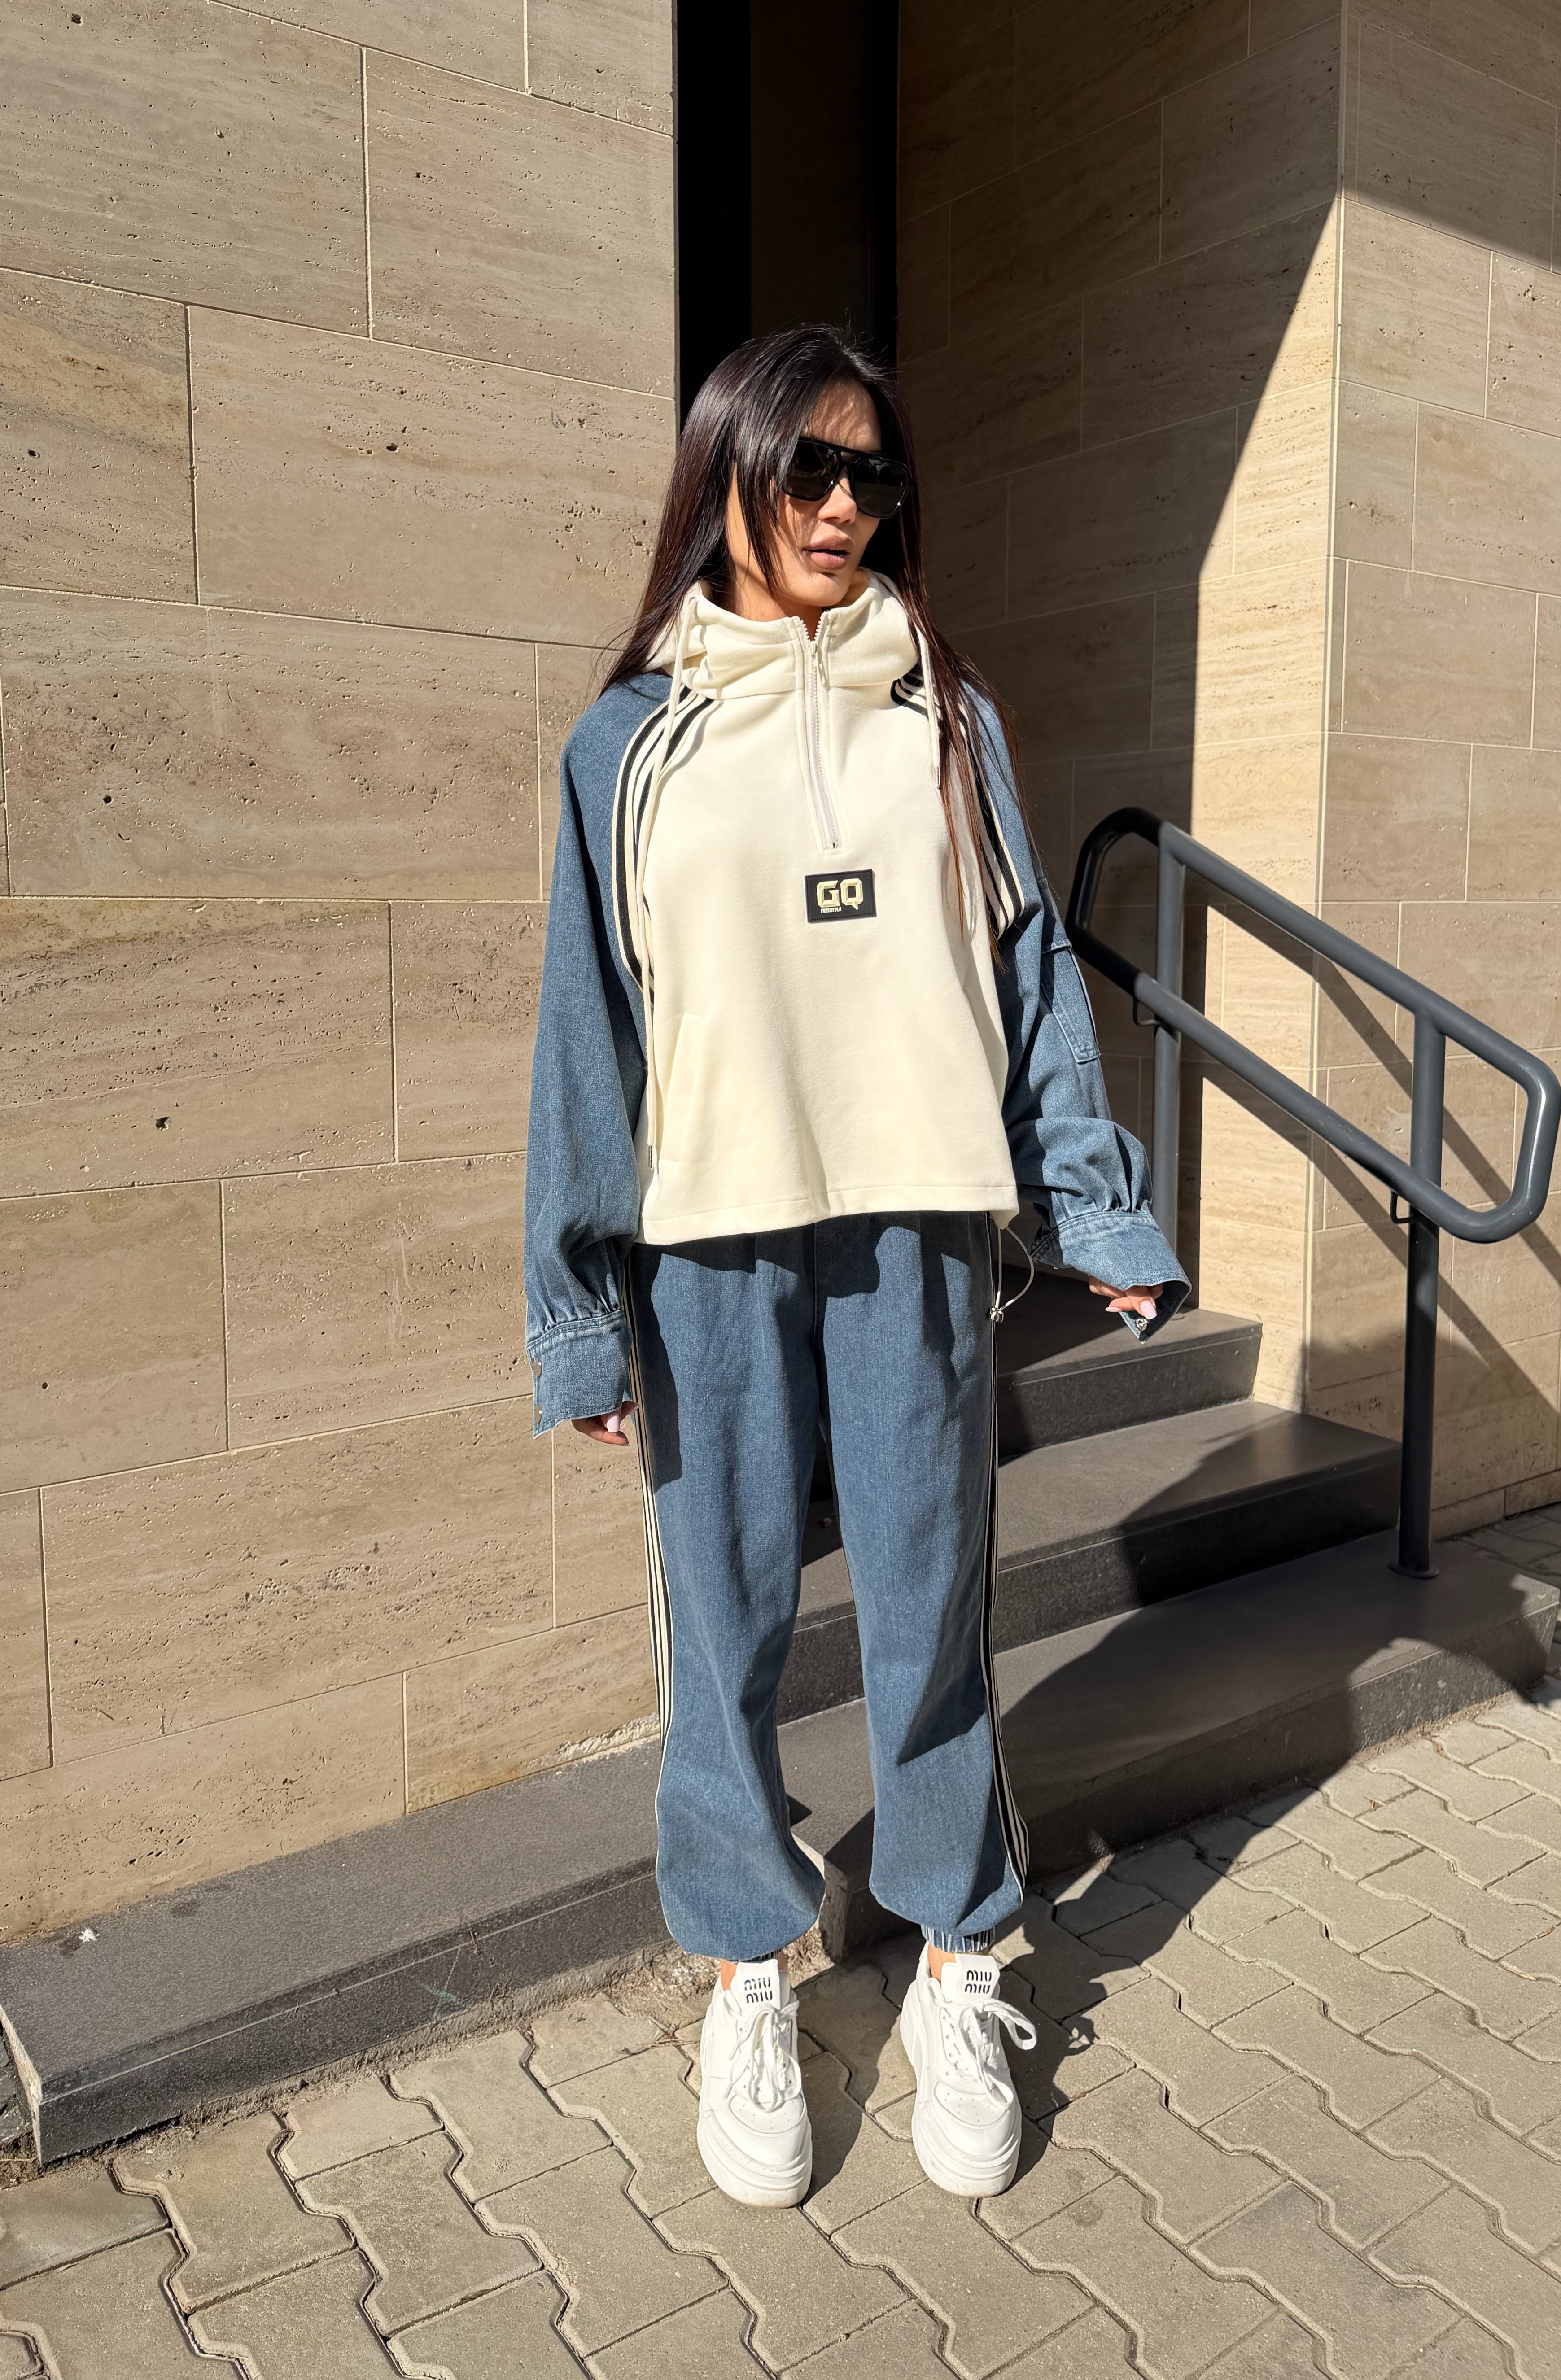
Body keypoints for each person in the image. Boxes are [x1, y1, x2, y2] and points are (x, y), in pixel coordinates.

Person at [524, 325, 1186, 2207]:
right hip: (708, 1243)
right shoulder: (627, 743)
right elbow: (587, 1036)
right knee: (724, 1620)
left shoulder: (947, 718)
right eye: (804, 468)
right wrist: (579, 1308)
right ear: (724, 472)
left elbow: (1030, 978)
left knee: (927, 1605)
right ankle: (752, 1961)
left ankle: (965, 1954)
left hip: (915, 1222)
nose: (839, 506)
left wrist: (1091, 1206)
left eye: (870, 475)